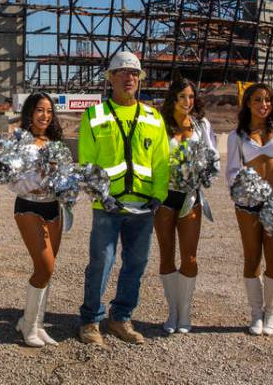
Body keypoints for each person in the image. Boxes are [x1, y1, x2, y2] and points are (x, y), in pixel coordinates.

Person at [77, 51, 170, 345]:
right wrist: (102, 196)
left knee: (136, 263)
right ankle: (91, 321)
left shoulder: (153, 117)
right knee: (101, 262)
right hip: (107, 205)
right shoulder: (95, 115)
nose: (129, 77)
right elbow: (88, 162)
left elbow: (161, 160)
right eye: (123, 72)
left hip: (143, 207)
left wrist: (158, 196)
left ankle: (121, 318)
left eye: (134, 73)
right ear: (111, 78)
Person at [224, 83, 273, 336]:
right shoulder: (238, 136)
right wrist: (247, 191)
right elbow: (232, 171)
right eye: (257, 100)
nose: (263, 105)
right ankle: (256, 314)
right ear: (248, 103)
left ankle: (271, 312)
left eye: (267, 100)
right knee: (252, 257)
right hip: (248, 205)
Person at [155, 76, 220, 334]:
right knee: (166, 254)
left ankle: (185, 311)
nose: (188, 102)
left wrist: (204, 175)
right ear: (173, 98)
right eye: (183, 96)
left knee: (190, 257)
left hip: (191, 197)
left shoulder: (201, 124)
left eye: (191, 97)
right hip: (165, 197)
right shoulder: (160, 124)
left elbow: (212, 155)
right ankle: (172, 311)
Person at [7, 92, 63, 347]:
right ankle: (28, 326)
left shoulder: (55, 141)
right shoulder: (18, 141)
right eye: (40, 110)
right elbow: (11, 180)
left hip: (55, 208)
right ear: (30, 112)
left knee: (47, 270)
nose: (45, 116)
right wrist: (38, 180)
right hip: (29, 206)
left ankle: (36, 323)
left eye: (49, 111)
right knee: (45, 266)